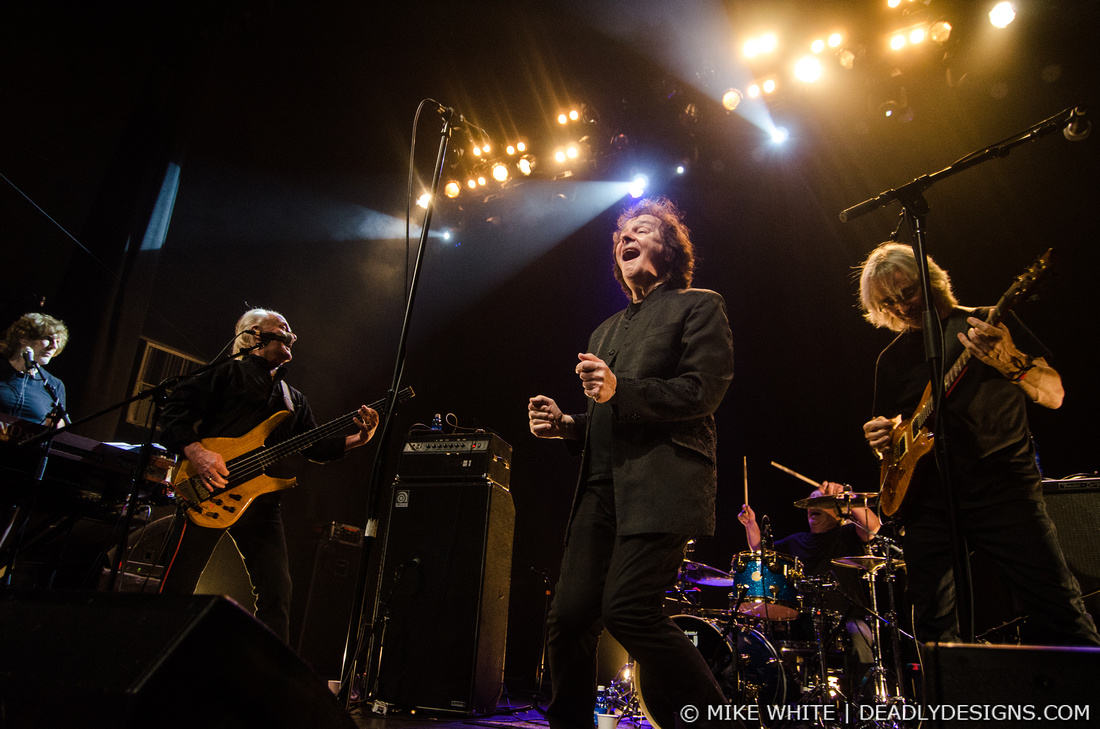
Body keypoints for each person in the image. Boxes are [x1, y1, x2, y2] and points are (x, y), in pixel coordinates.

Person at [527, 197, 736, 729]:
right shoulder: (603, 331)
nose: (626, 237)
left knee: (627, 610)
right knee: (568, 617)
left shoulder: (699, 305)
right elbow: (607, 411)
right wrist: (568, 424)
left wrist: (622, 389)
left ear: (669, 249)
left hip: (662, 481)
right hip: (599, 488)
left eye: (642, 229)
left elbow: (701, 391)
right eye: (622, 233)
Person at [858, 242, 1100, 647]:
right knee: (933, 630)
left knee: (1058, 610)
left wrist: (1010, 362)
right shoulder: (891, 358)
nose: (901, 307)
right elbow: (894, 439)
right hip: (930, 503)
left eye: (907, 293)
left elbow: (1055, 393)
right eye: (888, 303)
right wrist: (880, 440)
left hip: (1002, 487)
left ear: (931, 281)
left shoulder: (986, 323)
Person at [158, 308, 379, 641]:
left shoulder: (295, 399)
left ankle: (269, 676)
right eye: (284, 328)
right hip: (207, 487)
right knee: (177, 585)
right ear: (255, 334)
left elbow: (314, 446)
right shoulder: (225, 374)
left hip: (261, 501)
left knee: (278, 591)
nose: (293, 335)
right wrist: (197, 453)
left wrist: (360, 438)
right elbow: (173, 411)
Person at [737, 481, 881, 672]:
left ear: (837, 511)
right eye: (811, 502)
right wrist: (751, 524)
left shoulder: (847, 534)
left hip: (848, 617)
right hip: (806, 620)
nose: (813, 506)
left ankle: (869, 699)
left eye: (820, 501)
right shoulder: (797, 541)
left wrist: (848, 497)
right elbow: (760, 550)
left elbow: (873, 526)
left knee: (859, 638)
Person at [0, 312, 69, 426]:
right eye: (48, 338)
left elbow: (55, 427)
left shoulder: (54, 384)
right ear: (23, 338)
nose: (54, 346)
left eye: (57, 342)